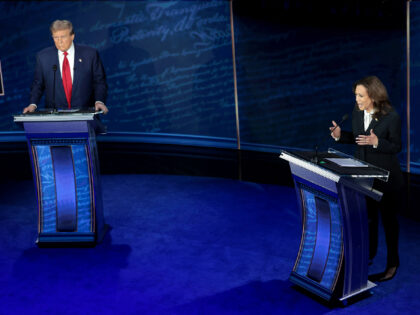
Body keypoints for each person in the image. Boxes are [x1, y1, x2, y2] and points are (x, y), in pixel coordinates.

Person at [330, 75, 403, 282]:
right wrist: (339, 136)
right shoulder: (357, 112)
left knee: (389, 223)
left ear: (373, 95)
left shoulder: (392, 117)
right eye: (356, 95)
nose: (357, 100)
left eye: (361, 96)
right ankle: (368, 256)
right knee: (368, 219)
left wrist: (377, 142)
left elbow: (397, 147)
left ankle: (392, 264)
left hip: (386, 180)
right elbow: (357, 139)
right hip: (363, 176)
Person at [23, 20, 109, 114]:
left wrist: (99, 101)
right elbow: (38, 84)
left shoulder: (90, 54)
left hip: (85, 114)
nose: (59, 41)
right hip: (54, 116)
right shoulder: (43, 57)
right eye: (56, 37)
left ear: (72, 36)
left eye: (63, 37)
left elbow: (99, 82)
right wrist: (33, 104)